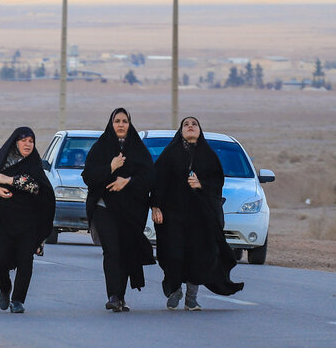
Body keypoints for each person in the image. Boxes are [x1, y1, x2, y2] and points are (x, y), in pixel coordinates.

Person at [151, 116, 244, 309]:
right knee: (173, 254)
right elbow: (158, 181)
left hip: (200, 216)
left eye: (194, 124)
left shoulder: (208, 156)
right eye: (186, 124)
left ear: (200, 130)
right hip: (173, 215)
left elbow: (217, 182)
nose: (190, 127)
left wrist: (202, 184)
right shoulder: (170, 154)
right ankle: (175, 289)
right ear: (181, 131)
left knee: (198, 255)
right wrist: (155, 206)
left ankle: (191, 298)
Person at [83, 108, 156, 312]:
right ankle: (113, 295)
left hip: (131, 211)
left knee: (125, 251)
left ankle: (121, 297)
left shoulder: (138, 149)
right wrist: (111, 168)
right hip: (104, 207)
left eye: (125, 121)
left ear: (130, 124)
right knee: (112, 250)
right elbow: (88, 176)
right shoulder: (100, 148)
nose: (121, 125)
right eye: (117, 121)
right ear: (111, 124)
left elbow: (150, 177)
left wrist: (128, 181)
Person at [0, 128, 57, 313]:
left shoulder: (34, 164)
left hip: (28, 224)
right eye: (24, 140)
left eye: (31, 141)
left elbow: (38, 187)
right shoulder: (2, 161)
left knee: (25, 262)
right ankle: (5, 289)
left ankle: (18, 300)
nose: (28, 144)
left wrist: (9, 180)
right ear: (15, 142)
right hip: (3, 223)